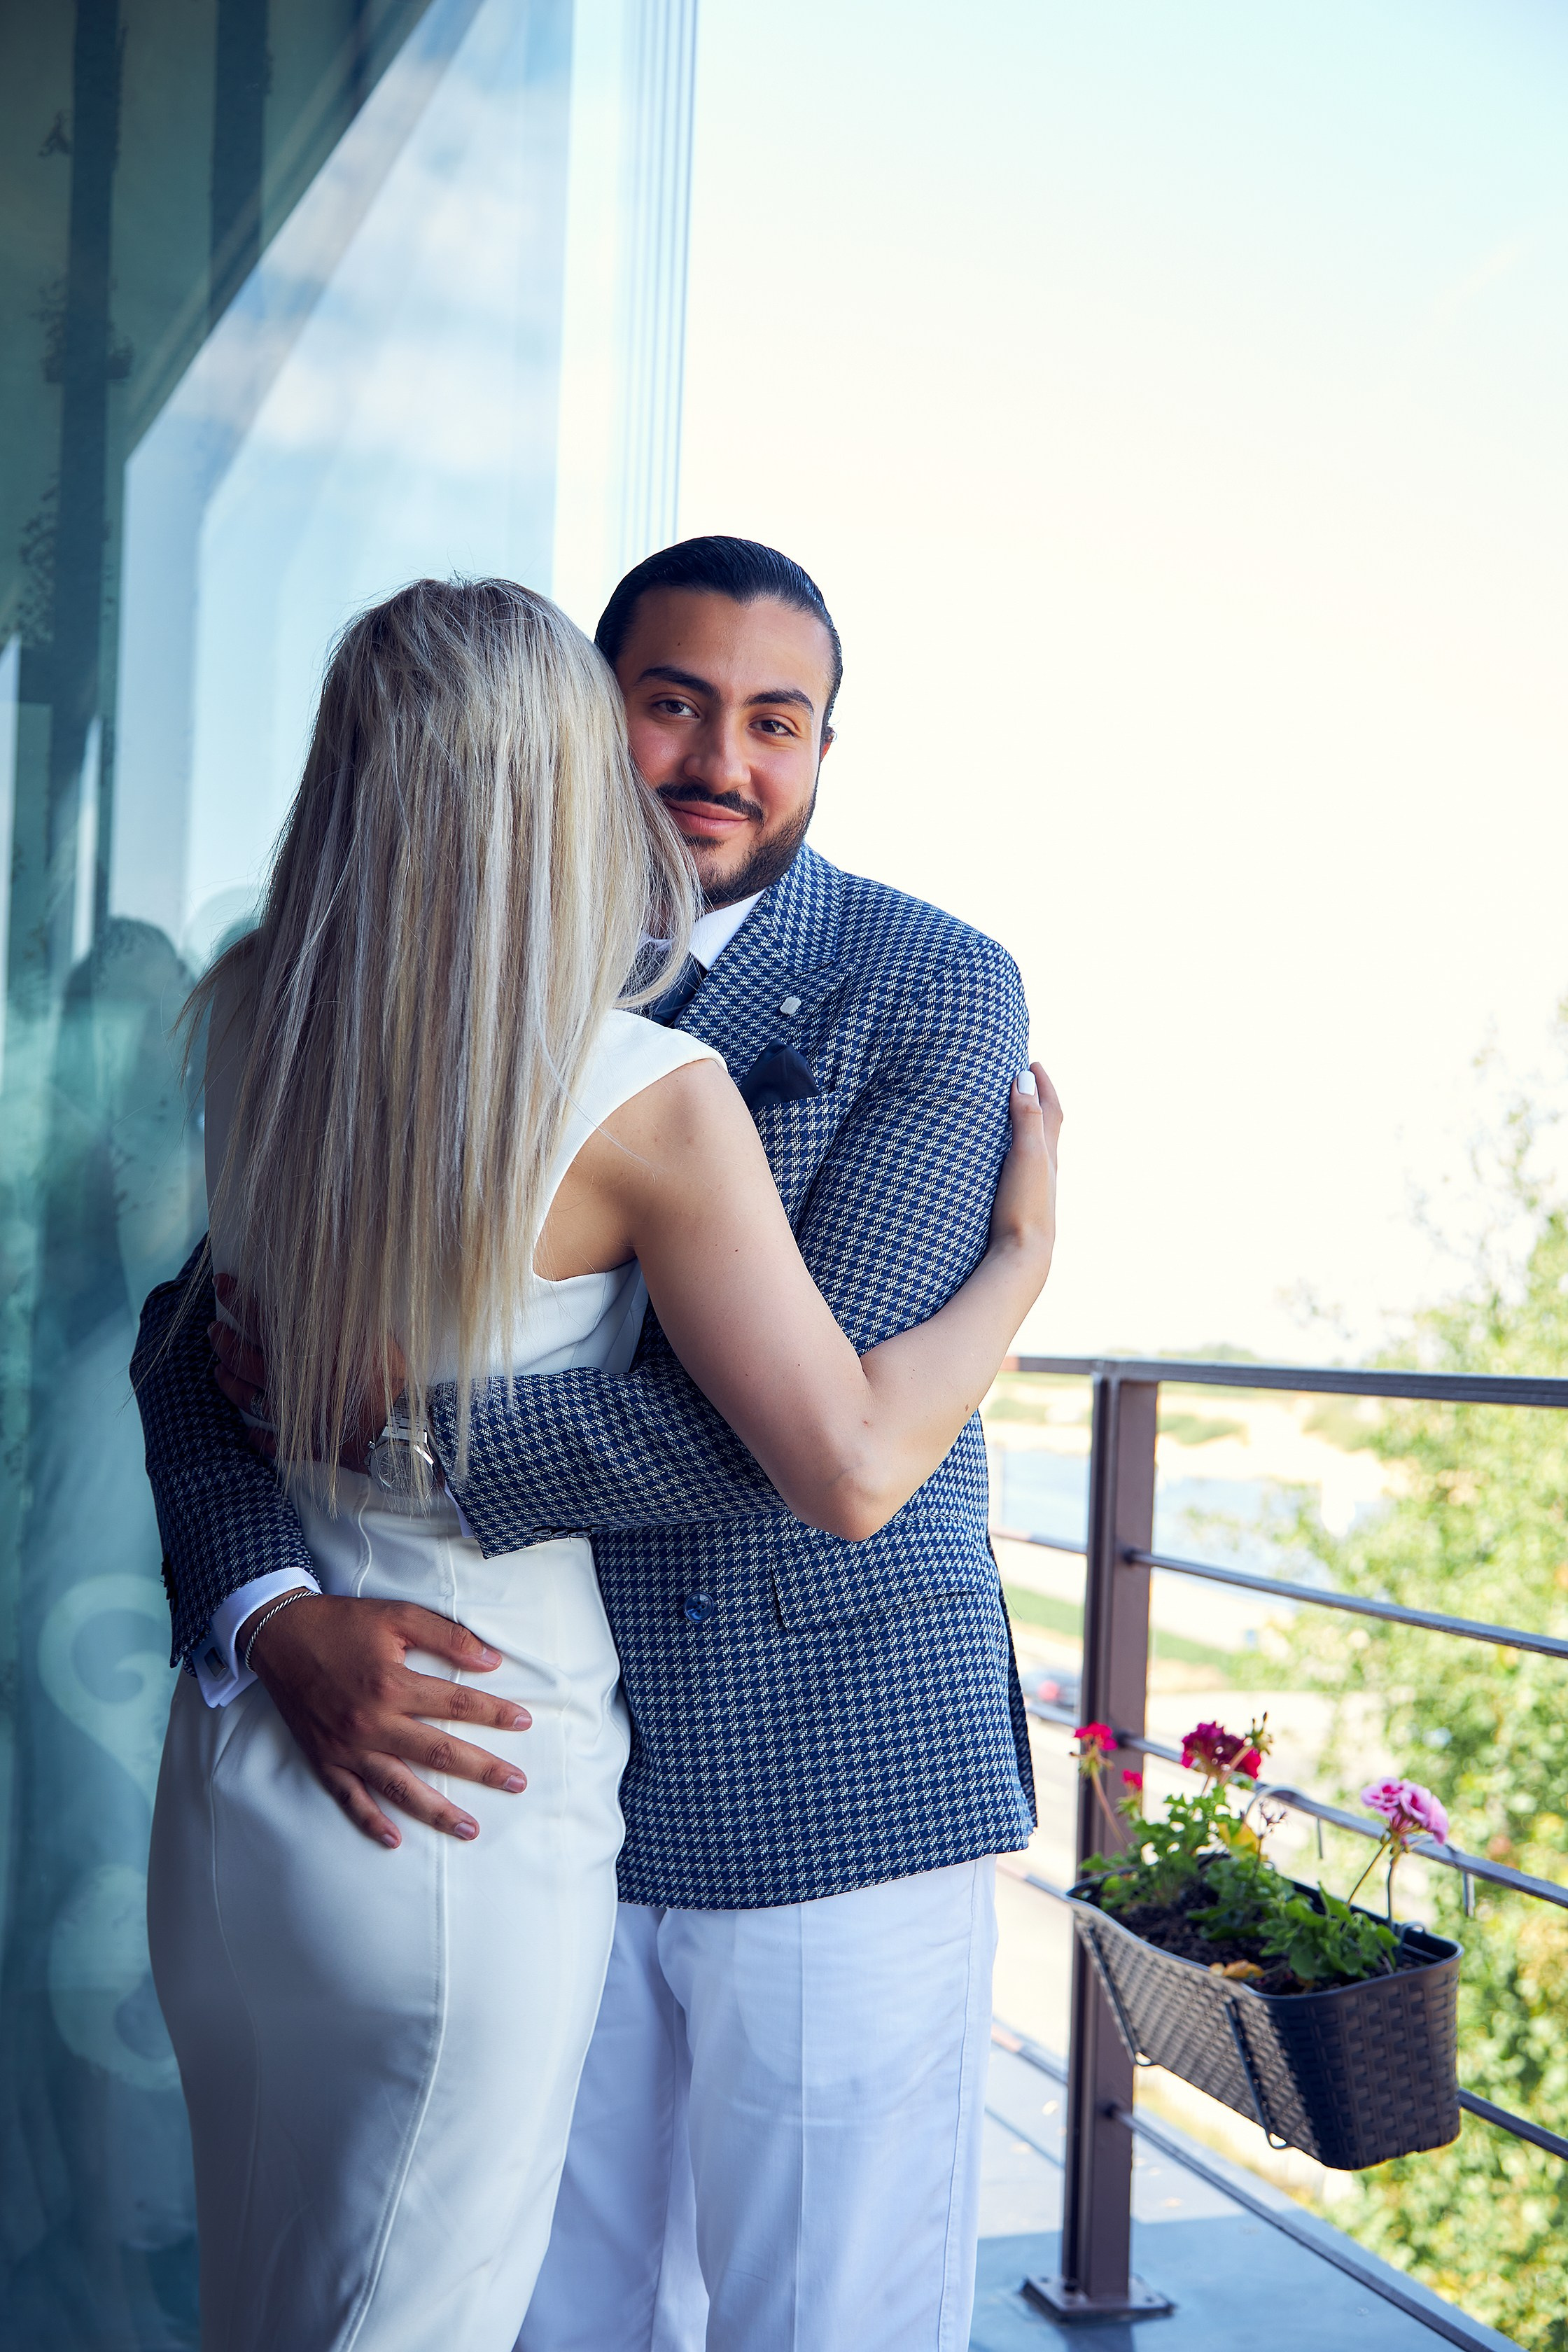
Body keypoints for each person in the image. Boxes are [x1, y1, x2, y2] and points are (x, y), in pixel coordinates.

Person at [134, 539, 1054, 2351]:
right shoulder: (396, 997)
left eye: (778, 722)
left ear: (826, 751)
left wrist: (392, 1439)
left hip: (821, 1767)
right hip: (469, 1767)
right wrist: (267, 1607)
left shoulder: (931, 987)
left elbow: (748, 1439)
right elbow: (189, 1336)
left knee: (829, 2324)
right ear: (583, 721)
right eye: (673, 704)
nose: (722, 759)